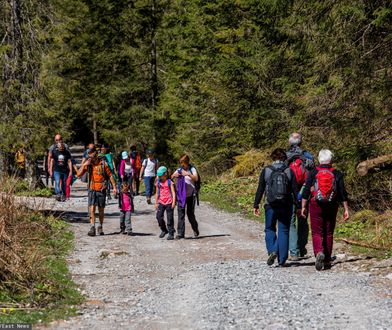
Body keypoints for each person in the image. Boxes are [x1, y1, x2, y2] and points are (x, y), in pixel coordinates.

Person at [301, 149, 349, 271]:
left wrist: (303, 207)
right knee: (328, 232)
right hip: (332, 205)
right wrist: (346, 209)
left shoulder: (312, 172)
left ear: (319, 159)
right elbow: (343, 193)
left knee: (317, 232)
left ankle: (318, 252)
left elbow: (306, 191)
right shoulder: (337, 173)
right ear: (331, 160)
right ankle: (327, 260)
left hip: (315, 203)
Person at [253, 148, 299, 267]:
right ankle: (282, 260)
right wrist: (298, 206)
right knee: (283, 230)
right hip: (286, 204)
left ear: (273, 158)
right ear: (284, 158)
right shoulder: (289, 171)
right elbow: (295, 190)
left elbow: (260, 189)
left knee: (270, 229)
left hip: (270, 204)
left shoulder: (266, 170)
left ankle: (272, 251)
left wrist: (256, 204)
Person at [286, 132, 314, 261]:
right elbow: (313, 172)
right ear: (301, 142)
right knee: (302, 218)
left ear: (289, 142)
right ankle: (302, 248)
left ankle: (294, 252)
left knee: (291, 222)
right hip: (304, 191)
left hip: (289, 192)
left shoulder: (285, 156)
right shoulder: (307, 155)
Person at [77, 147, 117, 236]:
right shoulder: (88, 164)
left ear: (95, 154)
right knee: (92, 208)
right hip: (92, 188)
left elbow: (110, 175)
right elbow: (78, 174)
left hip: (101, 189)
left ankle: (100, 226)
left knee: (101, 209)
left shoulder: (103, 164)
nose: (90, 156)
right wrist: (84, 165)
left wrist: (114, 187)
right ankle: (92, 227)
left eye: (91, 154)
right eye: (89, 154)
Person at [171, 154, 200, 239]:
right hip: (181, 195)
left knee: (190, 214)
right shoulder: (180, 169)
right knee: (181, 214)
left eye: (183, 163)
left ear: (187, 162)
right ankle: (180, 233)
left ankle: (195, 229)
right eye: (181, 163)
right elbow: (172, 176)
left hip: (191, 195)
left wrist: (187, 174)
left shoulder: (192, 169)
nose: (182, 165)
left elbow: (196, 178)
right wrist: (174, 176)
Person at [155, 166, 176, 240]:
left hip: (169, 202)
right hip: (161, 202)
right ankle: (164, 230)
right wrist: (156, 202)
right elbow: (157, 193)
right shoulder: (158, 183)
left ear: (165, 174)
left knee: (170, 219)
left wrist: (174, 202)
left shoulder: (170, 182)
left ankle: (171, 233)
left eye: (161, 176)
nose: (160, 177)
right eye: (159, 176)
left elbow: (173, 192)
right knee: (158, 217)